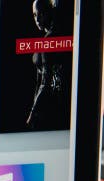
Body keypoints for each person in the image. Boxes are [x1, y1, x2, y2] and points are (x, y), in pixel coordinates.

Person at [27, 0, 72, 130]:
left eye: (41, 14)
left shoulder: (50, 40)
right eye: (35, 15)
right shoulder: (49, 39)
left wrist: (33, 112)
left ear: (49, 12)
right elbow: (40, 81)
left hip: (51, 104)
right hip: (49, 101)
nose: (37, 19)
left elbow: (45, 83)